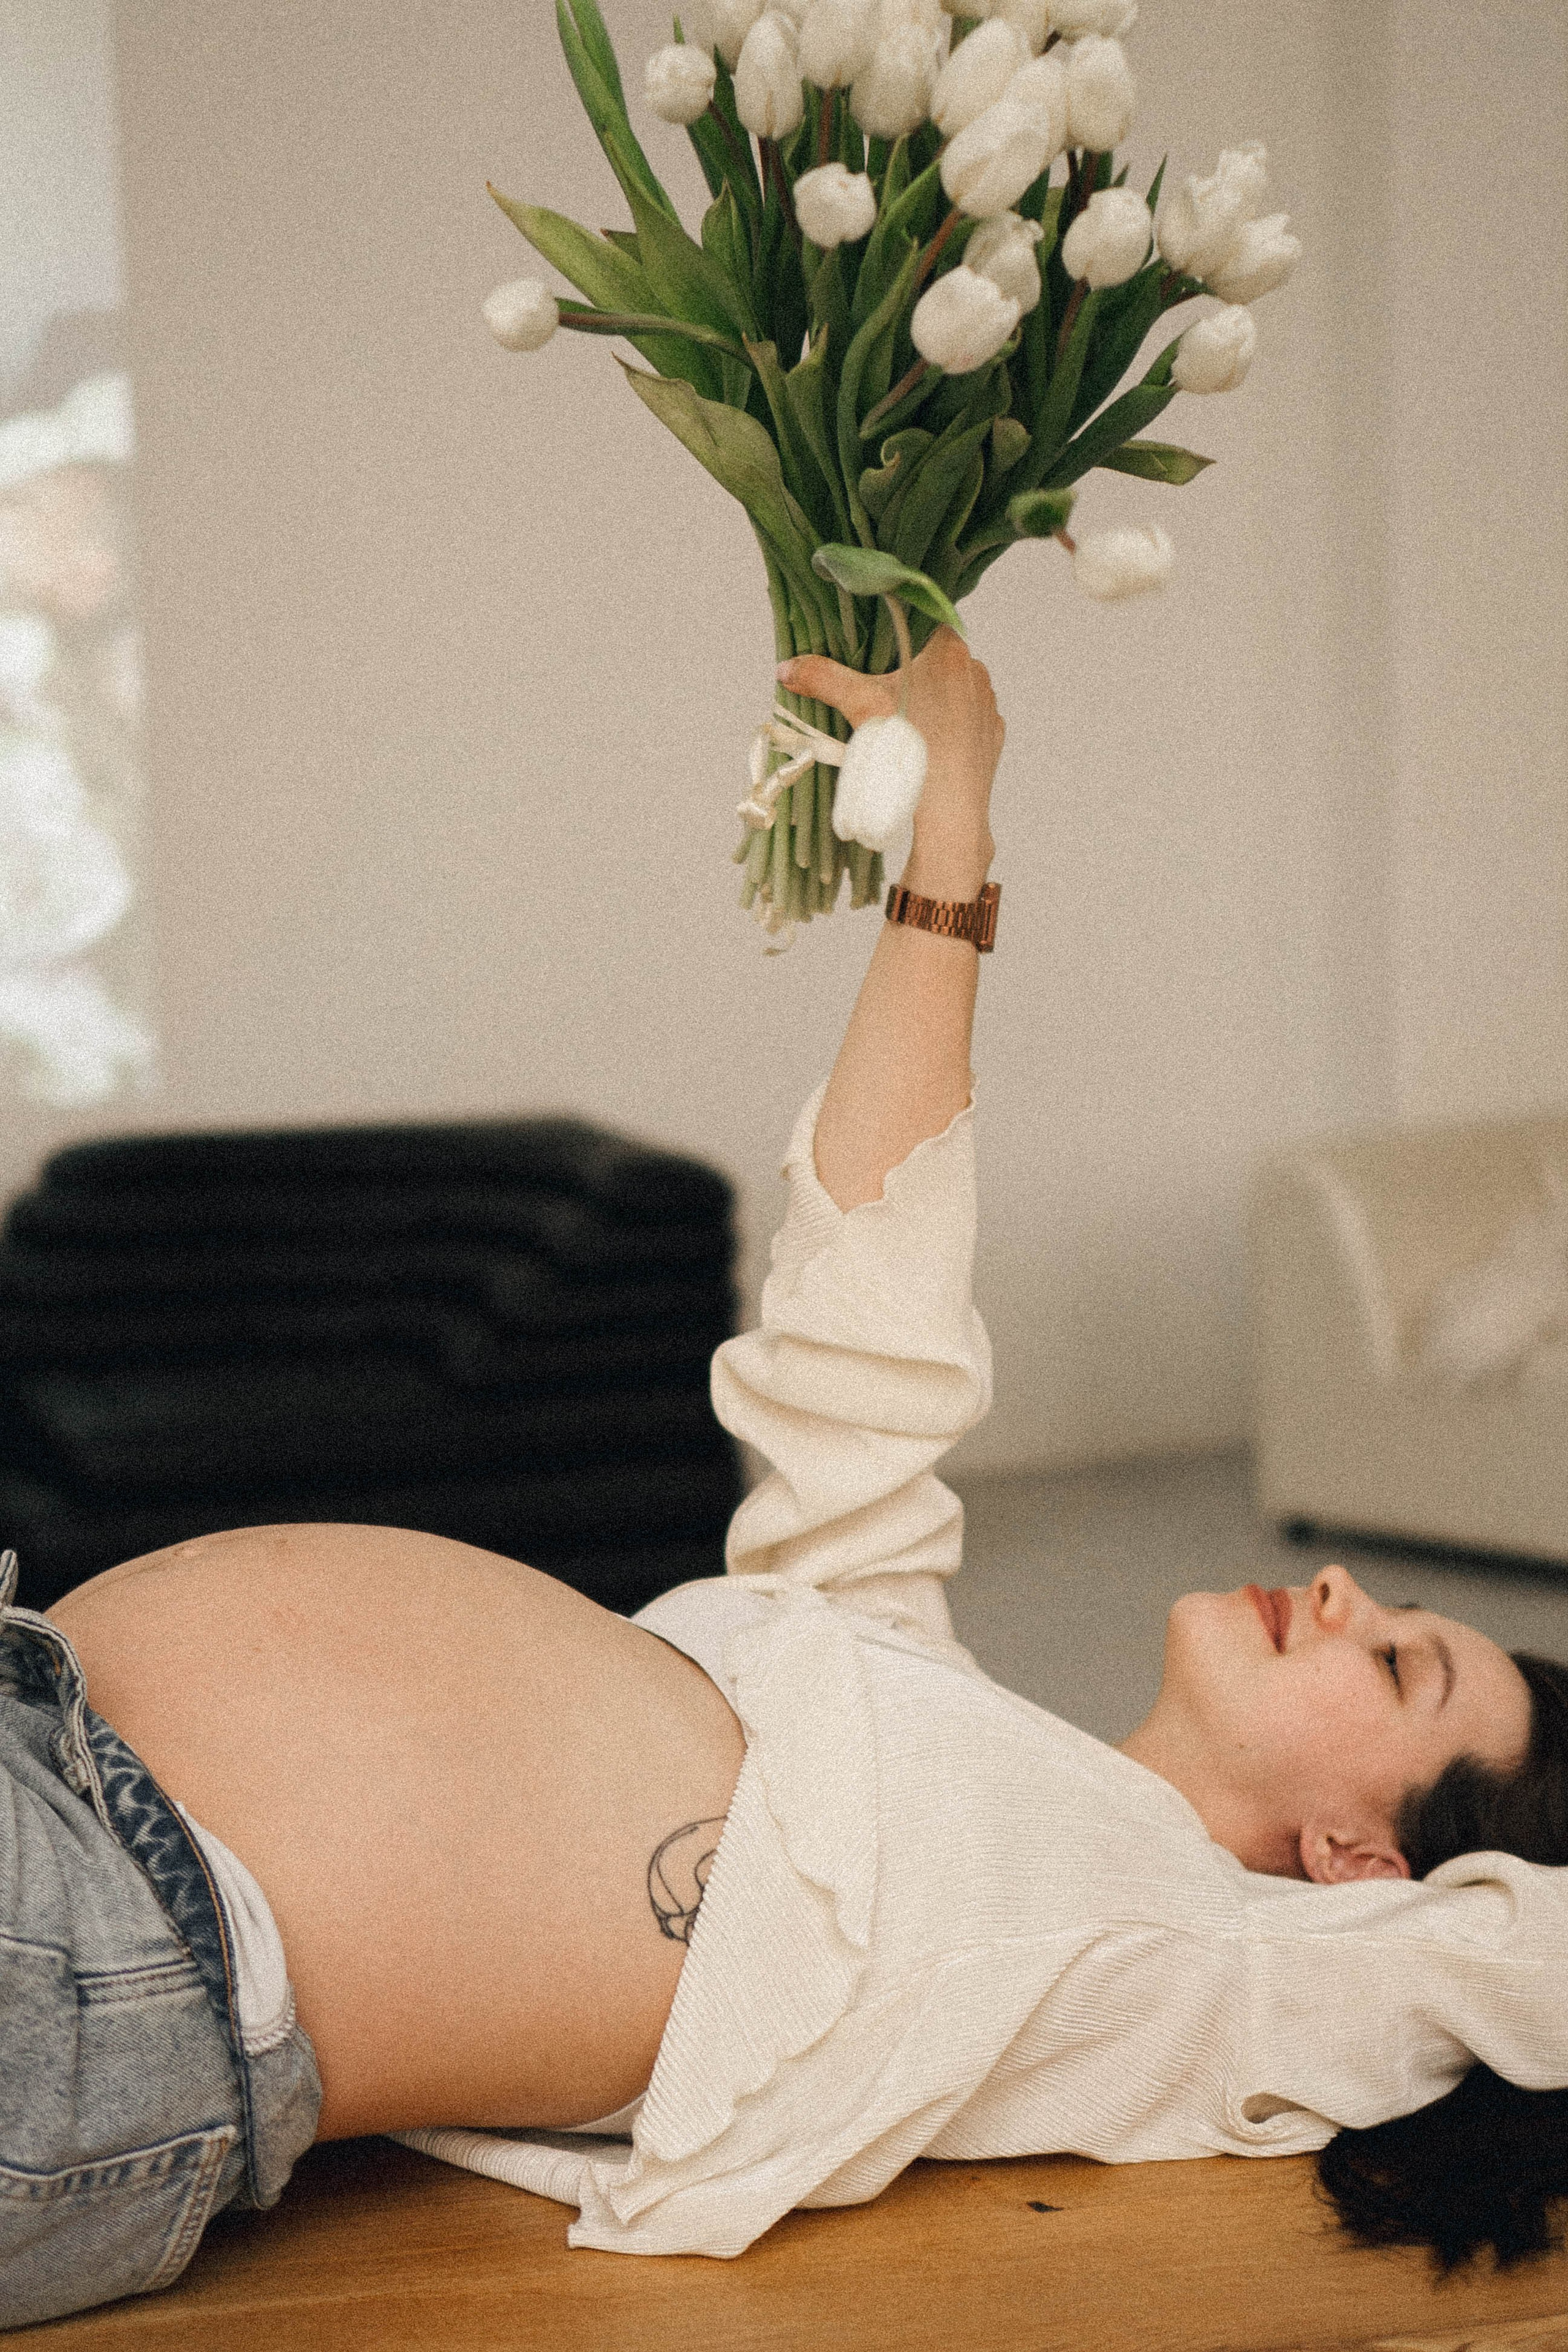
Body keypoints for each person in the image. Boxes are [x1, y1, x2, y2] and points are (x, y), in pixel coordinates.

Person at [6, 630, 1568, 2330]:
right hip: (50, 1745)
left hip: (109, 1963)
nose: (1344, 1596)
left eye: (1400, 1662)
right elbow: (865, 1307)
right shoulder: (918, 1701)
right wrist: (953, 826)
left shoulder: (1196, 1965)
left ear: (1366, 1865)